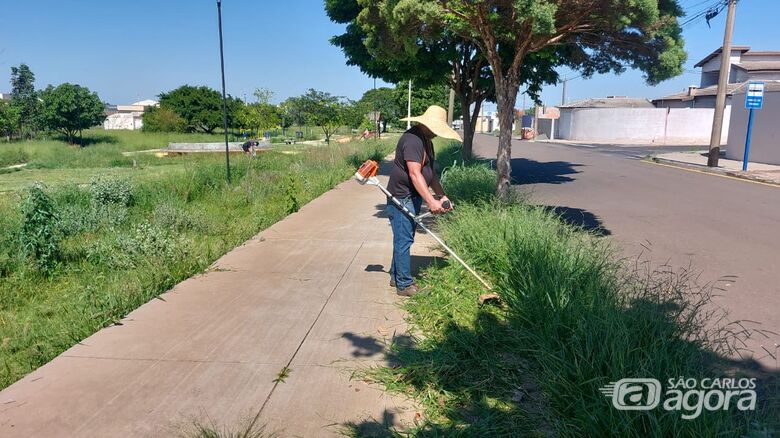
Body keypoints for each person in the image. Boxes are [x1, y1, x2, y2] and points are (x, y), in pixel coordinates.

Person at [386, 105, 461, 296]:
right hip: (401, 197)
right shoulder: (412, 140)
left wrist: (442, 196)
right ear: (428, 124)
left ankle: (396, 277)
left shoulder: (426, 140)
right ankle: (404, 285)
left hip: (413, 196)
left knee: (404, 238)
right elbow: (414, 173)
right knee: (403, 239)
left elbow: (431, 174)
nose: (437, 133)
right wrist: (431, 201)